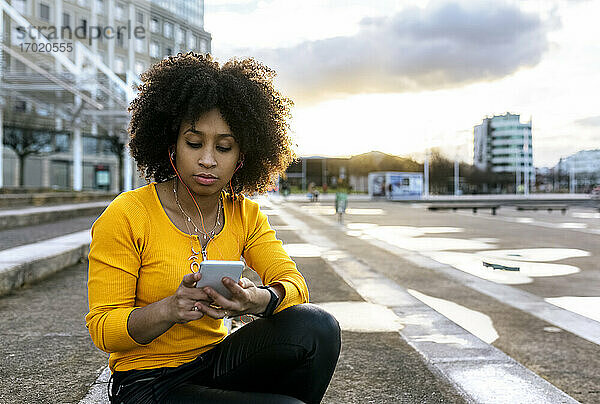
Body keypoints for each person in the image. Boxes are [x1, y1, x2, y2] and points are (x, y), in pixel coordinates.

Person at [85, 53, 341, 404]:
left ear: (242, 157)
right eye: (194, 143)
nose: (208, 159)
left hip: (215, 362)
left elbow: (295, 286)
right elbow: (104, 330)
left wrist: (254, 300)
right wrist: (170, 309)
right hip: (147, 383)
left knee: (317, 327)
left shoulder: (244, 214)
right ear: (171, 146)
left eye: (224, 147)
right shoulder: (128, 214)